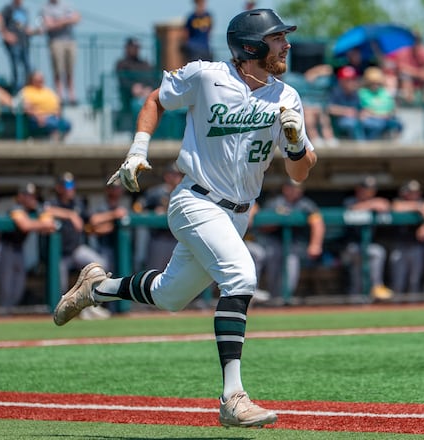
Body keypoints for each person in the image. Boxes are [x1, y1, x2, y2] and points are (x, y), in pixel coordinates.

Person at [52, 9, 316, 428]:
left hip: (238, 216)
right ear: (251, 46)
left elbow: (301, 172)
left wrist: (297, 141)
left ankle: (97, 287)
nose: (286, 44)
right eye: (277, 37)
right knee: (241, 277)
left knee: (170, 296)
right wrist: (138, 150)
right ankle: (233, 397)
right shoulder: (206, 75)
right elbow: (156, 98)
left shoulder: (286, 95)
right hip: (196, 201)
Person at [44, 172, 110, 321]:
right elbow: (46, 210)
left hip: (75, 250)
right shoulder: (53, 202)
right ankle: (60, 313)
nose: (70, 188)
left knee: (100, 265)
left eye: (72, 185)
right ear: (59, 187)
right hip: (59, 254)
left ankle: (91, 304)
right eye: (67, 185)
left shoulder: (78, 203)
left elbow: (92, 219)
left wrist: (113, 215)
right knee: (59, 286)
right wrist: (70, 215)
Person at [256, 178, 325, 302]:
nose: (296, 191)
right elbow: (263, 226)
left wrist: (315, 244)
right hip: (274, 241)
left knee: (291, 263)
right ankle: (274, 298)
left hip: (295, 243)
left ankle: (284, 298)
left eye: (298, 188)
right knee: (272, 258)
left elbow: (318, 222)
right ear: (285, 189)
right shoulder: (275, 202)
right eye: (293, 188)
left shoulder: (305, 204)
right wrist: (278, 219)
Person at [0, 182, 56, 314]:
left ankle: (9, 314)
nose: (32, 199)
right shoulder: (15, 207)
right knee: (6, 288)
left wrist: (42, 222)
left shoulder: (35, 209)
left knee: (19, 287)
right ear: (20, 196)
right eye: (28, 196)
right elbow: (25, 225)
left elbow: (50, 223)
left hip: (19, 250)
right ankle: (2, 317)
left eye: (33, 196)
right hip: (6, 249)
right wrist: (42, 224)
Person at [341, 176, 393, 300]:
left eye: (371, 189)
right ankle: (362, 296)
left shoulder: (377, 202)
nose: (368, 192)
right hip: (350, 246)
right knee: (358, 276)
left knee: (376, 253)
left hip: (367, 246)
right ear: (358, 190)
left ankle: (376, 286)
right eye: (365, 189)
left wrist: (380, 204)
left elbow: (387, 206)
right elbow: (351, 208)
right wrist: (372, 204)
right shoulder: (350, 201)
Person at [138, 163, 184, 270]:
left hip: (178, 240)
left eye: (179, 175)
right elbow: (138, 208)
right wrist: (153, 212)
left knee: (177, 274)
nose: (177, 177)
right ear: (167, 176)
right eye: (174, 174)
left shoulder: (184, 193)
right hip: (159, 239)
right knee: (154, 274)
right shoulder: (156, 192)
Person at [389, 179, 424, 294]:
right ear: (404, 192)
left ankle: (415, 309)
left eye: (416, 192)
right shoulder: (398, 202)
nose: (415, 194)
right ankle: (395, 309)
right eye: (411, 192)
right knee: (398, 282)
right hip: (399, 246)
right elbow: (395, 207)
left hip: (416, 246)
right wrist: (418, 206)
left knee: (414, 282)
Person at [40, 0, 81, 105]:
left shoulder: (67, 4)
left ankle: (71, 96)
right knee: (58, 70)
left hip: (70, 41)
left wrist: (58, 21)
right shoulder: (46, 8)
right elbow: (49, 25)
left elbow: (77, 18)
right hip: (56, 41)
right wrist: (66, 20)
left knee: (70, 71)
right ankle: (60, 96)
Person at [0, 0, 37, 92]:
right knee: (16, 67)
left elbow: (23, 26)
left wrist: (30, 31)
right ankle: (16, 91)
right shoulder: (8, 8)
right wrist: (5, 34)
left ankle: (29, 89)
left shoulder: (24, 10)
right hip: (14, 44)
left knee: (27, 67)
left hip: (24, 43)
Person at [20, 70, 72, 141]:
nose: (41, 80)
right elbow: (26, 107)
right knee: (52, 125)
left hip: (52, 117)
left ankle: (57, 140)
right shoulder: (26, 91)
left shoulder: (48, 91)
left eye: (42, 78)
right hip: (36, 118)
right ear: (32, 80)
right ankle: (54, 141)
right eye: (38, 79)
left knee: (67, 124)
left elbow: (57, 105)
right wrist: (38, 116)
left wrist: (57, 113)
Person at [386, 31, 424, 104]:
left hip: (421, 76)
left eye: (418, 40)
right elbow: (401, 68)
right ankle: (409, 102)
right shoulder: (403, 51)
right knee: (405, 76)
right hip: (408, 76)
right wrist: (418, 73)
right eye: (415, 39)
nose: (416, 42)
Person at [358, 66, 403, 140]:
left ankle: (394, 146)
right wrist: (378, 115)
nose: (375, 85)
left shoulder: (384, 92)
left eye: (377, 83)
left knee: (397, 124)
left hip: (385, 118)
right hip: (371, 119)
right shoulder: (362, 93)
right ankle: (368, 146)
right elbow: (365, 111)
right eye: (372, 83)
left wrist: (386, 114)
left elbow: (391, 108)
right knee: (377, 125)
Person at [115, 38, 154, 106]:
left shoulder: (145, 64)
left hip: (147, 96)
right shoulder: (122, 64)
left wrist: (148, 88)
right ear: (127, 48)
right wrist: (132, 87)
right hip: (129, 100)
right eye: (132, 47)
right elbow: (123, 81)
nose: (135, 49)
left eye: (136, 47)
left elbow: (152, 78)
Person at [328, 65, 364, 140]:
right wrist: (346, 111)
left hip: (356, 118)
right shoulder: (335, 92)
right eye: (348, 80)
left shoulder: (355, 92)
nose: (352, 82)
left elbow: (361, 108)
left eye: (353, 79)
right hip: (340, 120)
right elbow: (329, 108)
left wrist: (362, 113)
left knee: (372, 123)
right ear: (341, 81)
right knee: (351, 123)